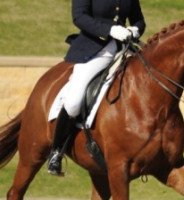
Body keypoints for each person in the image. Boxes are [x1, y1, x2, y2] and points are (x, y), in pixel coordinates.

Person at [47, 0, 146, 176]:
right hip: (95, 50)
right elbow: (79, 17)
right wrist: (109, 30)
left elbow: (138, 19)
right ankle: (56, 151)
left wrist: (135, 29)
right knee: (74, 101)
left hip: (124, 49)